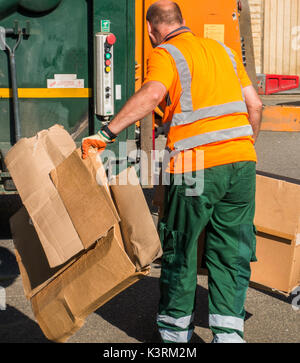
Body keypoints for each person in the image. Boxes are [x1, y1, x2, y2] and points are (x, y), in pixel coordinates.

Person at [82, 0, 263, 343]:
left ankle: (176, 336)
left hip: (196, 164)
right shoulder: (223, 51)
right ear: (182, 20)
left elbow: (152, 94)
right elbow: (255, 105)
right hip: (242, 161)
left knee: (181, 245)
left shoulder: (166, 53)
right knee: (232, 250)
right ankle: (228, 335)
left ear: (152, 29)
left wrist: (106, 134)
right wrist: (243, 150)